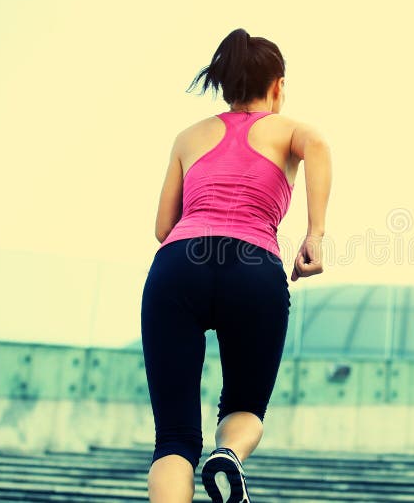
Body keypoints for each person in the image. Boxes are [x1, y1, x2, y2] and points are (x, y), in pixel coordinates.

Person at [140, 27, 332, 503]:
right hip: (253, 266)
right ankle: (229, 455)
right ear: (278, 85)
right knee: (244, 407)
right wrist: (315, 235)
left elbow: (164, 226)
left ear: (224, 86)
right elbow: (320, 147)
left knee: (174, 440)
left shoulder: (189, 136)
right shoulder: (287, 130)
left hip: (179, 265)